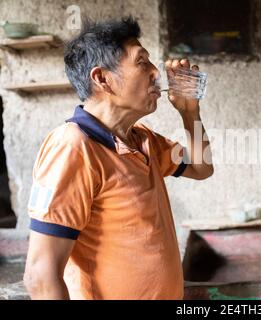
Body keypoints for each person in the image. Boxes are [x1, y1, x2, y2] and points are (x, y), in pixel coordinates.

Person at [23, 16, 213, 300]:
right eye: (142, 62)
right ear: (102, 78)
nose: (156, 74)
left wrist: (189, 113)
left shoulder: (143, 139)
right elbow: (40, 276)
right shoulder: (73, 147)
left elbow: (202, 167)